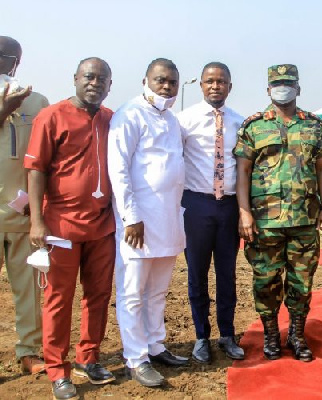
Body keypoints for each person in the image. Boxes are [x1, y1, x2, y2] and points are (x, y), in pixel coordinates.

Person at [25, 57, 116, 400]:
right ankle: (58, 370)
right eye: (89, 76)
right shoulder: (52, 116)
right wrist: (37, 219)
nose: (95, 82)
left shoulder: (111, 119)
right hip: (60, 226)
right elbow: (36, 170)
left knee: (98, 295)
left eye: (102, 78)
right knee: (59, 299)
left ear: (110, 84)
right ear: (76, 79)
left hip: (102, 224)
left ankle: (88, 358)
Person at [234, 64, 322, 362]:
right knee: (266, 282)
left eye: (289, 83)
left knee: (301, 284)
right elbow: (243, 172)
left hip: (304, 220)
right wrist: (245, 213)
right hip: (265, 222)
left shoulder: (314, 126)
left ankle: (297, 334)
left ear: (299, 88)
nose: (283, 87)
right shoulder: (254, 126)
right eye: (277, 83)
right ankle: (271, 334)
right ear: (268, 89)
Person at [108, 58, 188, 388]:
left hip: (168, 219)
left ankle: (155, 345)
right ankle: (135, 357)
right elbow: (119, 169)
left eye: (172, 82)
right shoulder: (129, 114)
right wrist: (131, 217)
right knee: (132, 292)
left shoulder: (172, 119)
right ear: (145, 80)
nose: (166, 86)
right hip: (137, 223)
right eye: (160, 80)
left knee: (157, 292)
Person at [177, 61, 245, 363]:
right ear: (201, 85)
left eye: (221, 82)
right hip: (196, 205)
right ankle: (201, 336)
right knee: (197, 274)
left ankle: (227, 334)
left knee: (227, 274)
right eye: (209, 81)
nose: (215, 86)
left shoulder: (240, 123)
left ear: (230, 87)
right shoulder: (183, 121)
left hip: (228, 207)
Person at [0, 36, 47, 375]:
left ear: (17, 63)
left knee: (28, 288)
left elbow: (45, 157)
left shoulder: (38, 101)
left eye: (7, 58)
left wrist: (40, 206)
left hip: (21, 212)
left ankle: (29, 350)